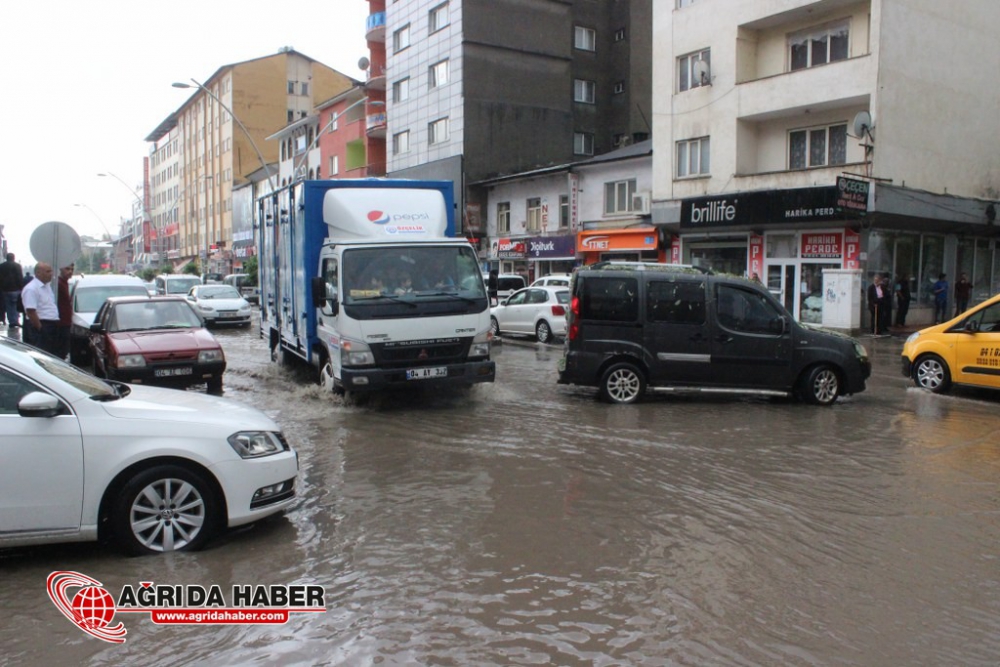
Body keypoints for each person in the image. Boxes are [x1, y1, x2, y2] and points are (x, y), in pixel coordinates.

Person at [21, 263, 61, 354]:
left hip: (51, 325)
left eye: (51, 271)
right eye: (48, 271)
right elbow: (30, 311)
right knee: (42, 355)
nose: (51, 274)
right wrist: (40, 328)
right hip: (41, 325)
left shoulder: (46, 286)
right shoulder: (31, 289)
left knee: (51, 354)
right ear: (38, 273)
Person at [54, 264, 75, 359]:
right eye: (67, 269)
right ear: (61, 269)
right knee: (60, 351)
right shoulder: (58, 284)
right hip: (60, 323)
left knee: (64, 351)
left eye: (72, 269)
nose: (70, 271)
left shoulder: (65, 283)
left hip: (65, 321)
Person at [0, 252, 24, 328]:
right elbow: (19, 277)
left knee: (8, 306)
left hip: (5, 290)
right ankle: (15, 321)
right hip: (15, 289)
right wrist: (21, 287)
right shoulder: (17, 266)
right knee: (15, 305)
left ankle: (11, 321)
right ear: (13, 258)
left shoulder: (1, 266)